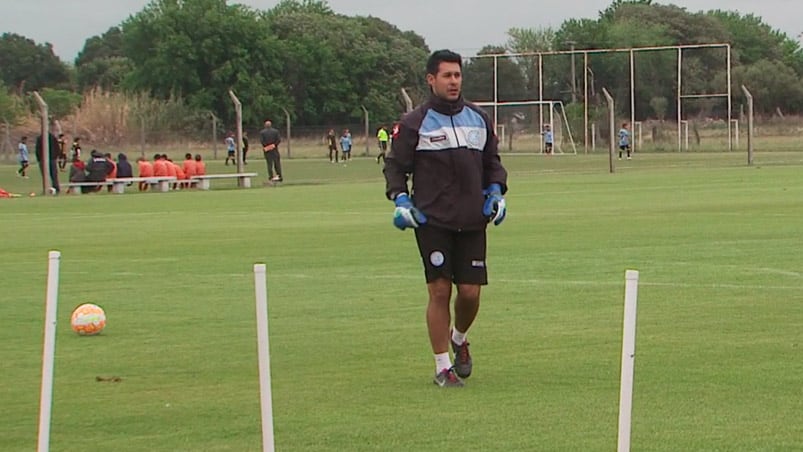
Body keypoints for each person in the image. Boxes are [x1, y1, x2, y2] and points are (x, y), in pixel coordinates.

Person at [383, 49, 508, 388]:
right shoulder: (414, 123)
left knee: (469, 293)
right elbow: (395, 166)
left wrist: (496, 191)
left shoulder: (479, 118)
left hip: (472, 220)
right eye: (447, 76)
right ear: (431, 79)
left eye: (457, 75)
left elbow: (492, 162)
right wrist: (401, 199)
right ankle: (442, 367)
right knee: (439, 291)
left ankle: (459, 338)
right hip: (432, 221)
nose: (454, 82)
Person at [35, 128, 61, 194]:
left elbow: (37, 149)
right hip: (48, 159)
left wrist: (39, 159)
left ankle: (51, 189)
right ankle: (53, 189)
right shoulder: (50, 138)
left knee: (49, 175)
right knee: (52, 175)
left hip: (47, 159)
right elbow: (57, 148)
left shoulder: (43, 138)